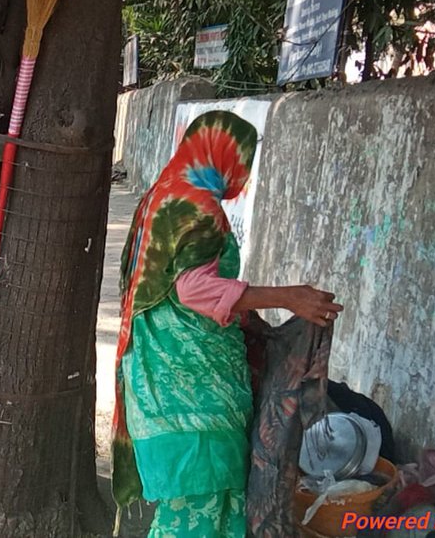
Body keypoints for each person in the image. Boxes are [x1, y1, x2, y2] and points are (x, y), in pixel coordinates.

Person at [111, 111, 344, 537]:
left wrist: (247, 312)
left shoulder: (160, 195)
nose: (244, 171)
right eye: (243, 159)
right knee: (197, 512)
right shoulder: (197, 206)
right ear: (224, 154)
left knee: (202, 509)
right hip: (191, 393)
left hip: (156, 382)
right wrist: (288, 296)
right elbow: (193, 290)